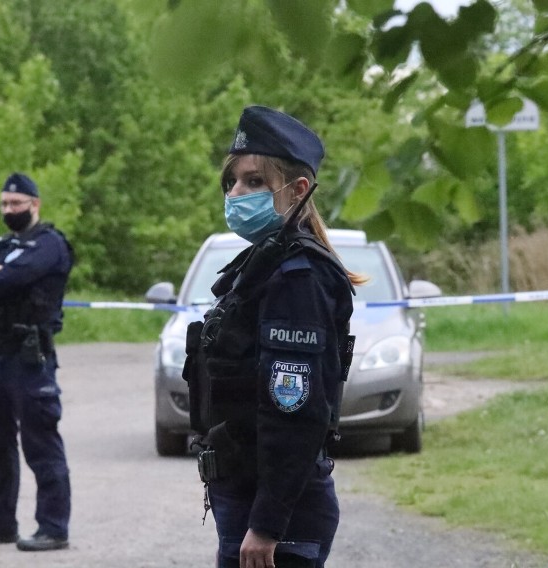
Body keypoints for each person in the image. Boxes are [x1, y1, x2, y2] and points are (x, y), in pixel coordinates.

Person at [184, 106, 365, 568]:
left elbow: (295, 410)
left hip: (277, 510)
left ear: (297, 189)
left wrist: (267, 524)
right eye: (232, 182)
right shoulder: (261, 265)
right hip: (246, 493)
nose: (236, 193)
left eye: (254, 182)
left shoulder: (296, 277)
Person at [0, 173, 75, 552]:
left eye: (16, 204)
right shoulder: (4, 244)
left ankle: (53, 527)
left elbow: (7, 282)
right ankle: (0, 522)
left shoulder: (49, 244)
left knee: (40, 442)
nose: (9, 210)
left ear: (34, 204)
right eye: (4, 204)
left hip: (29, 356)